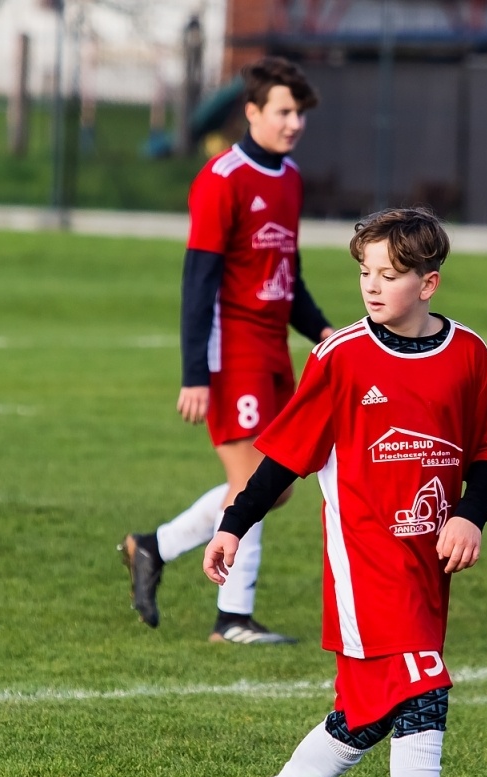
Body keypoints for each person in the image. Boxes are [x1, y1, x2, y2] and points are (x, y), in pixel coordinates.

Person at [204, 207, 487, 777]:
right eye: (365, 272)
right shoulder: (340, 357)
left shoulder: (468, 354)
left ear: (428, 283)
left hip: (427, 567)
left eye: (390, 274)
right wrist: (234, 524)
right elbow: (284, 458)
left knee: (366, 718)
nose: (372, 286)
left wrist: (470, 514)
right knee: (425, 692)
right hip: (364, 565)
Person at [120, 57, 333, 644]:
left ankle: (155, 546)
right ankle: (232, 618)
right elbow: (199, 281)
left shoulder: (289, 177)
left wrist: (322, 331)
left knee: (278, 486)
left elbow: (287, 275)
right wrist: (195, 372)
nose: (294, 123)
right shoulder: (222, 178)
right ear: (252, 112)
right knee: (251, 481)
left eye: (300, 113)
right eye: (283, 112)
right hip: (232, 353)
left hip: (273, 353)